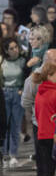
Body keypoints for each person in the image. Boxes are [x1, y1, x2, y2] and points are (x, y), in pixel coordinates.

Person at [1, 37, 27, 168]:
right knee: (4, 125)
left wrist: (22, 89)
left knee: (15, 125)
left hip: (17, 94)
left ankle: (13, 154)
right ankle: (4, 154)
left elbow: (27, 77)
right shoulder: (2, 61)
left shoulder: (22, 61)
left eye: (16, 47)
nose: (15, 50)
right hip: (4, 93)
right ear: (6, 50)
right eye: (11, 48)